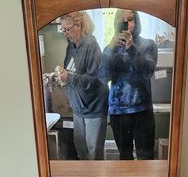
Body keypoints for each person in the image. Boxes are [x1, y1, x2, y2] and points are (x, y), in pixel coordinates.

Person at [98, 9, 157, 160]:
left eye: (130, 19)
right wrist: (110, 50)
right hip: (119, 112)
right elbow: (103, 77)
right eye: (122, 20)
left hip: (142, 110)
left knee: (146, 156)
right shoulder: (110, 48)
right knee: (125, 157)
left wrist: (132, 49)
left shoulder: (148, 45)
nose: (127, 24)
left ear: (136, 21)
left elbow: (147, 72)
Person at [56, 11, 108, 160]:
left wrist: (69, 78)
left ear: (79, 26)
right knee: (81, 149)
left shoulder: (91, 45)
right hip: (78, 107)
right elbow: (69, 72)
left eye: (68, 28)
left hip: (94, 107)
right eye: (63, 29)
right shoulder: (71, 46)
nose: (65, 33)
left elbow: (95, 80)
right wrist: (59, 77)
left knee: (93, 152)